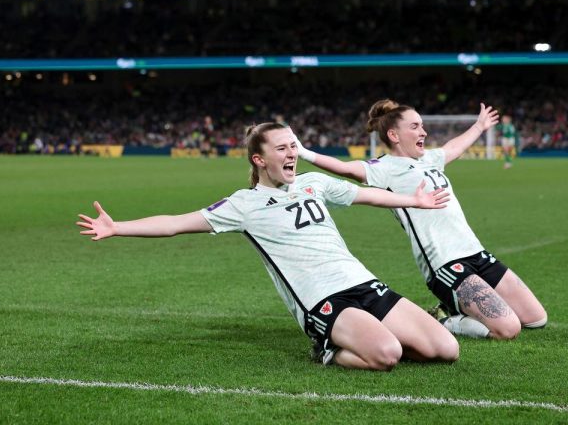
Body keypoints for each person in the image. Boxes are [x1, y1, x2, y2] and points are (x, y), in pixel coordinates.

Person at [76, 122, 460, 371]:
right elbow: (176, 224)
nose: (291, 153)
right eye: (281, 149)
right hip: (324, 300)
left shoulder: (314, 183)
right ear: (260, 159)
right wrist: (118, 227)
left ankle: (371, 332)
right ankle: (327, 348)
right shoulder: (244, 205)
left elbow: (368, 196)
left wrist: (415, 201)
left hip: (363, 283)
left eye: (292, 147)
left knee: (445, 349)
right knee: (387, 355)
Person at [295, 100, 547, 340]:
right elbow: (344, 167)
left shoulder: (430, 159)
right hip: (446, 264)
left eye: (422, 125)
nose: (423, 131)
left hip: (476, 253)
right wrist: (304, 152)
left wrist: (479, 126)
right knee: (508, 328)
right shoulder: (383, 168)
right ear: (394, 135)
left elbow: (453, 147)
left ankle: (457, 307)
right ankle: (443, 320)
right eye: (415, 127)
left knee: (536, 319)